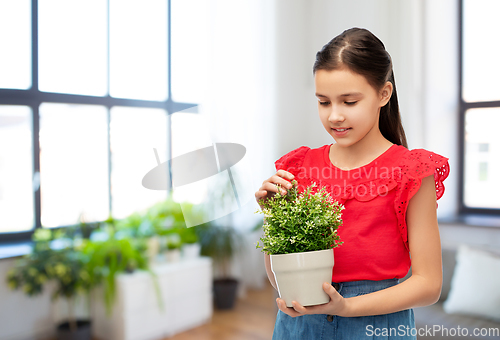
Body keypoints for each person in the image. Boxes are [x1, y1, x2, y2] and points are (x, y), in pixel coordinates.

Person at [254, 27, 450, 339]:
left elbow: (429, 285)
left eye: (349, 101)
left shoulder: (411, 172)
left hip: (374, 326)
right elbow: (280, 277)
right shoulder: (298, 167)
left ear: (383, 94)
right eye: (323, 102)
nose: (334, 116)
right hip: (300, 326)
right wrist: (273, 217)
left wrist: (346, 307)